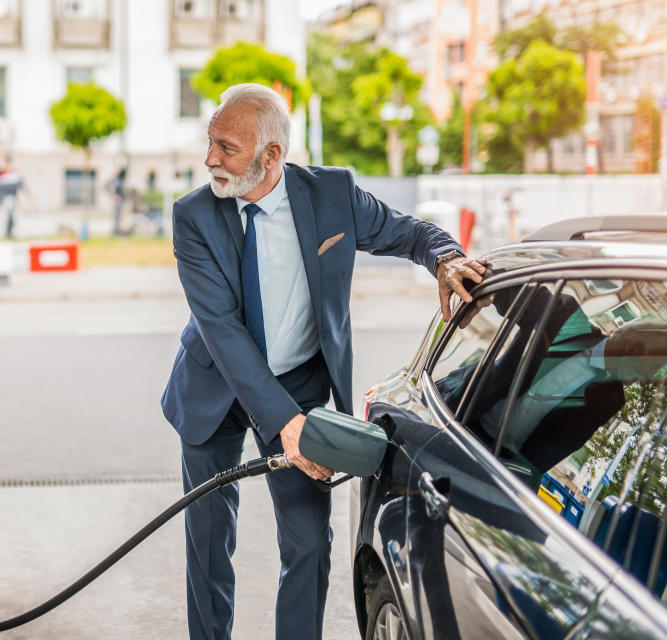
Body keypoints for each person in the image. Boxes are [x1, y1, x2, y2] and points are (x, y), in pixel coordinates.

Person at [160, 83, 486, 640]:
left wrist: (444, 257)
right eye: (209, 141)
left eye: (226, 147)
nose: (209, 158)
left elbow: (408, 232)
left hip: (300, 382)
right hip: (215, 383)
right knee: (209, 542)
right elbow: (222, 331)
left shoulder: (332, 195)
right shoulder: (193, 216)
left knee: (310, 541)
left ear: (271, 156)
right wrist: (285, 425)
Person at [0, 158, 23, 239]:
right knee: (4, 217)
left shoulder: (15, 175)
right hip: (6, 198)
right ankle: (3, 233)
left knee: (15, 216)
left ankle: (15, 233)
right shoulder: (2, 176)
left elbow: (22, 186)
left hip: (13, 198)